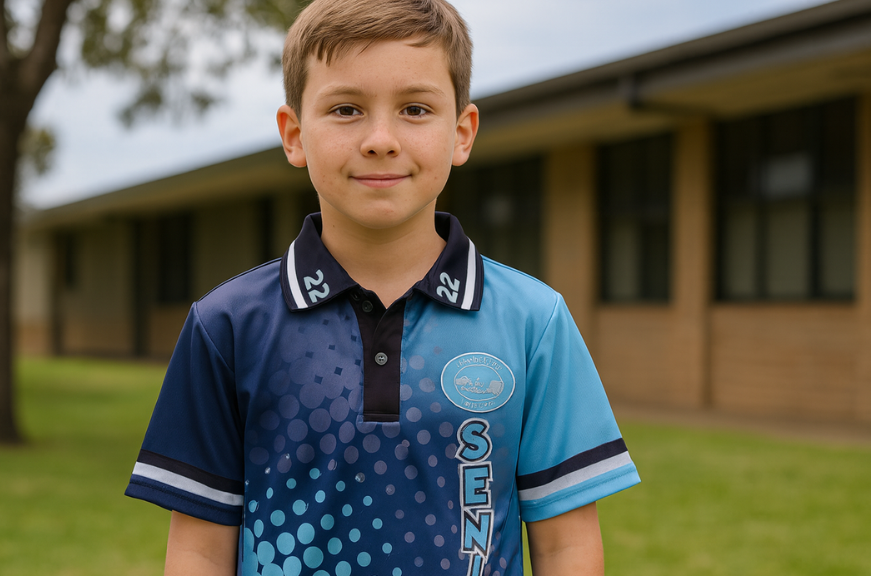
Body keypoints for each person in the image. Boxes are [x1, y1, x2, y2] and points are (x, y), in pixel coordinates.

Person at [125, 0, 641, 574]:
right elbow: (198, 549)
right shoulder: (226, 326)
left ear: (462, 133)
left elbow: (566, 545)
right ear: (294, 135)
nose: (380, 139)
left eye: (415, 108)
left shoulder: (534, 322)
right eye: (346, 109)